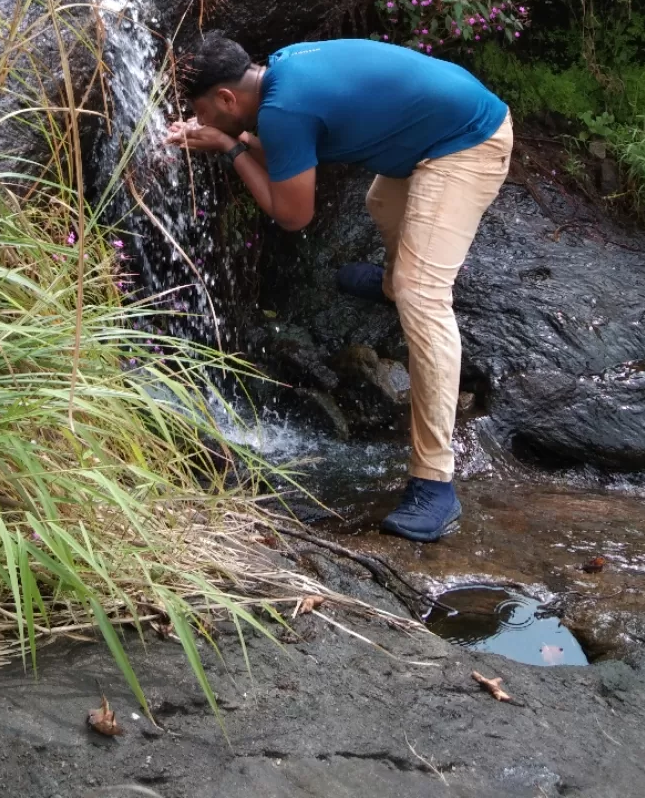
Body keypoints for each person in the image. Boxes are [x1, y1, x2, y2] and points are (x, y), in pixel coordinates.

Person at [165, 32, 512, 542]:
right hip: (431, 135)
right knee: (381, 204)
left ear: (226, 99)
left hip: (467, 143)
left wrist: (227, 149)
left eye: (201, 113)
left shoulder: (283, 111)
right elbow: (290, 152)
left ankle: (435, 485)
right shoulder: (280, 74)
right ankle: (394, 283)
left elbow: (293, 213)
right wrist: (232, 139)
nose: (201, 121)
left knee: (425, 296)